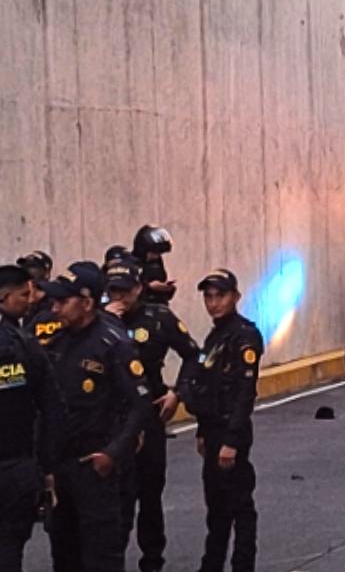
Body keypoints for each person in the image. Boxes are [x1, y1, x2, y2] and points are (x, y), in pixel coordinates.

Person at [38, 261, 152, 571]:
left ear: (87, 303)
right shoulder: (55, 343)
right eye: (54, 300)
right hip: (61, 467)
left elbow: (140, 405)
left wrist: (112, 454)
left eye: (63, 301)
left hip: (96, 465)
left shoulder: (113, 344)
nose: (55, 307)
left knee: (101, 557)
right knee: (64, 555)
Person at [103, 259, 202, 572]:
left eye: (126, 289)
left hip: (149, 413)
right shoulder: (98, 321)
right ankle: (111, 559)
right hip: (110, 419)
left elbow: (193, 355)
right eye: (114, 290)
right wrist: (106, 322)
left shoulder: (158, 318)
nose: (120, 296)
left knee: (149, 493)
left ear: (139, 288)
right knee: (115, 496)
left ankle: (152, 561)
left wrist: (179, 394)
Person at [184, 269, 262, 572]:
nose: (213, 303)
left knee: (240, 505)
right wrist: (203, 431)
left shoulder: (244, 335)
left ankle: (243, 564)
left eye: (221, 296)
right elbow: (207, 387)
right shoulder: (216, 335)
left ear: (236, 297)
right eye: (209, 296)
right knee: (216, 505)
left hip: (233, 431)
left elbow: (245, 393)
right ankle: (212, 564)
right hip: (214, 428)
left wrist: (231, 441)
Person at [0, 265, 65, 572]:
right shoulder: (26, 345)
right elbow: (52, 406)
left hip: (17, 463)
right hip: (17, 464)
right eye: (23, 294)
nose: (29, 300)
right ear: (3, 297)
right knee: (10, 547)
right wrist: (47, 467)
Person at [132, 225, 177, 305]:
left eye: (159, 253)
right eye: (154, 253)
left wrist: (167, 288)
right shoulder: (130, 264)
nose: (156, 256)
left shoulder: (156, 263)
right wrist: (148, 287)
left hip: (157, 306)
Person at [17, 251, 54, 327]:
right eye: (26, 267)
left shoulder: (55, 301)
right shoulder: (24, 299)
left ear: (47, 273)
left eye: (33, 267)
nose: (29, 272)